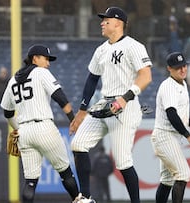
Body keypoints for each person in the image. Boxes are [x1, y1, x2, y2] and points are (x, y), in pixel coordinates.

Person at [69, 6, 152, 203]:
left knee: (122, 162)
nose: (102, 23)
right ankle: (86, 198)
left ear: (118, 23)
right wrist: (81, 111)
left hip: (126, 106)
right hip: (103, 104)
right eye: (102, 20)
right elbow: (91, 80)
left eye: (106, 20)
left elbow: (146, 76)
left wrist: (125, 98)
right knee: (78, 144)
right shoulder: (101, 50)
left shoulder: (134, 46)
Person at [0, 44, 80, 203]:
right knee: (65, 172)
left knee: (30, 181)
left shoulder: (12, 81)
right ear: (35, 58)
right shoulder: (41, 73)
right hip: (43, 127)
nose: (48, 63)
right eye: (46, 58)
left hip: (24, 132)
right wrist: (73, 119)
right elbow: (60, 97)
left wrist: (17, 129)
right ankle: (79, 200)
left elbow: (7, 112)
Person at [151, 52, 190, 203]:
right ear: (169, 69)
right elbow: (172, 114)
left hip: (171, 136)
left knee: (167, 180)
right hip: (165, 135)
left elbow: (181, 114)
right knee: (183, 174)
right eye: (178, 67)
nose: (183, 69)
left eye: (184, 65)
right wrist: (189, 136)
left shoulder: (182, 83)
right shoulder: (168, 86)